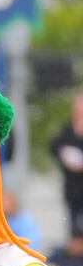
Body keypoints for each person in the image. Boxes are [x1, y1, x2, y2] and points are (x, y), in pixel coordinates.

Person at [48, 94, 83, 238]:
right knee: (73, 223)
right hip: (72, 186)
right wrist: (64, 155)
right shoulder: (67, 129)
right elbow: (54, 147)